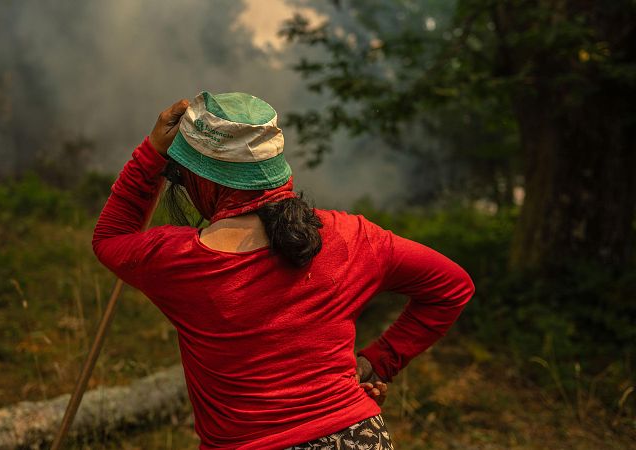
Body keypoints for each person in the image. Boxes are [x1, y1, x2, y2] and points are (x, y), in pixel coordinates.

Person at [92, 92, 475, 450]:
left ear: (203, 180)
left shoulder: (176, 259)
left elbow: (110, 236)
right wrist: (377, 362)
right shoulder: (351, 238)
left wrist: (152, 152)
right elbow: (452, 286)